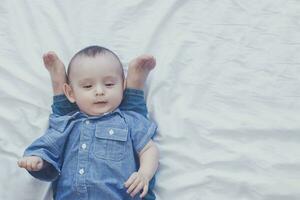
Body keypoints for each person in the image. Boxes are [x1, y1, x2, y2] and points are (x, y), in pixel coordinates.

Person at [18, 45, 159, 200]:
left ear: (121, 86)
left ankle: (133, 86)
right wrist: (40, 159)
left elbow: (148, 148)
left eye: (109, 84)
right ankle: (61, 85)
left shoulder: (128, 120)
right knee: (63, 116)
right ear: (70, 93)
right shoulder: (69, 123)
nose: (99, 91)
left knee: (132, 112)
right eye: (88, 86)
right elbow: (50, 145)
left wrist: (144, 174)